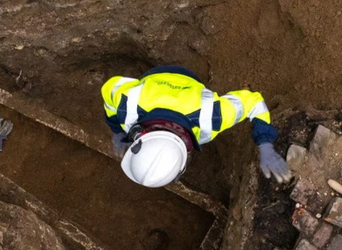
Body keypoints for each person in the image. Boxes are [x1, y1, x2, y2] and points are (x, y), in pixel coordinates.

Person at [101, 66, 292, 188]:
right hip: (152, 80)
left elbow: (254, 103)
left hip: (189, 80)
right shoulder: (127, 106)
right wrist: (117, 129)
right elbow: (109, 90)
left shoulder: (210, 116)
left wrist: (265, 144)